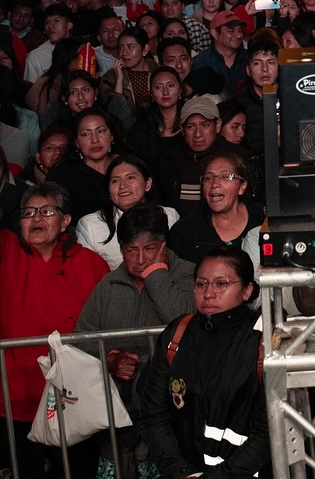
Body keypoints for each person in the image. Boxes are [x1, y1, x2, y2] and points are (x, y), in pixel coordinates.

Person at [75, 203, 197, 479]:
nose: (140, 258)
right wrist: (110, 359)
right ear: (121, 249)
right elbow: (80, 341)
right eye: (131, 250)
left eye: (150, 249)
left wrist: (156, 275)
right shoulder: (108, 285)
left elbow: (183, 319)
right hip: (122, 422)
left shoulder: (189, 275)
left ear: (164, 246)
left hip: (176, 414)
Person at [0, 183, 110, 479]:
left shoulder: (91, 263)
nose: (36, 218)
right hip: (17, 396)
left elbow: (110, 321)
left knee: (77, 471)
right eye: (28, 212)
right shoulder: (7, 250)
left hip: (75, 396)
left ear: (65, 221)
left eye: (47, 211)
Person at [135, 245, 269, 479]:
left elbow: (267, 432)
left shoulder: (263, 338)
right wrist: (181, 472)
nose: (208, 293)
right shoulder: (178, 333)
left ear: (247, 290)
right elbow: (153, 413)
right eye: (201, 283)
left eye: (221, 284)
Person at [75, 155, 181, 269]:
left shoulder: (170, 216)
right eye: (115, 181)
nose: (123, 186)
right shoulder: (90, 226)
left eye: (130, 178)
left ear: (147, 184)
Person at [166, 153, 265, 267]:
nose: (215, 184)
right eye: (208, 178)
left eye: (225, 176)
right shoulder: (183, 232)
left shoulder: (262, 221)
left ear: (242, 187)